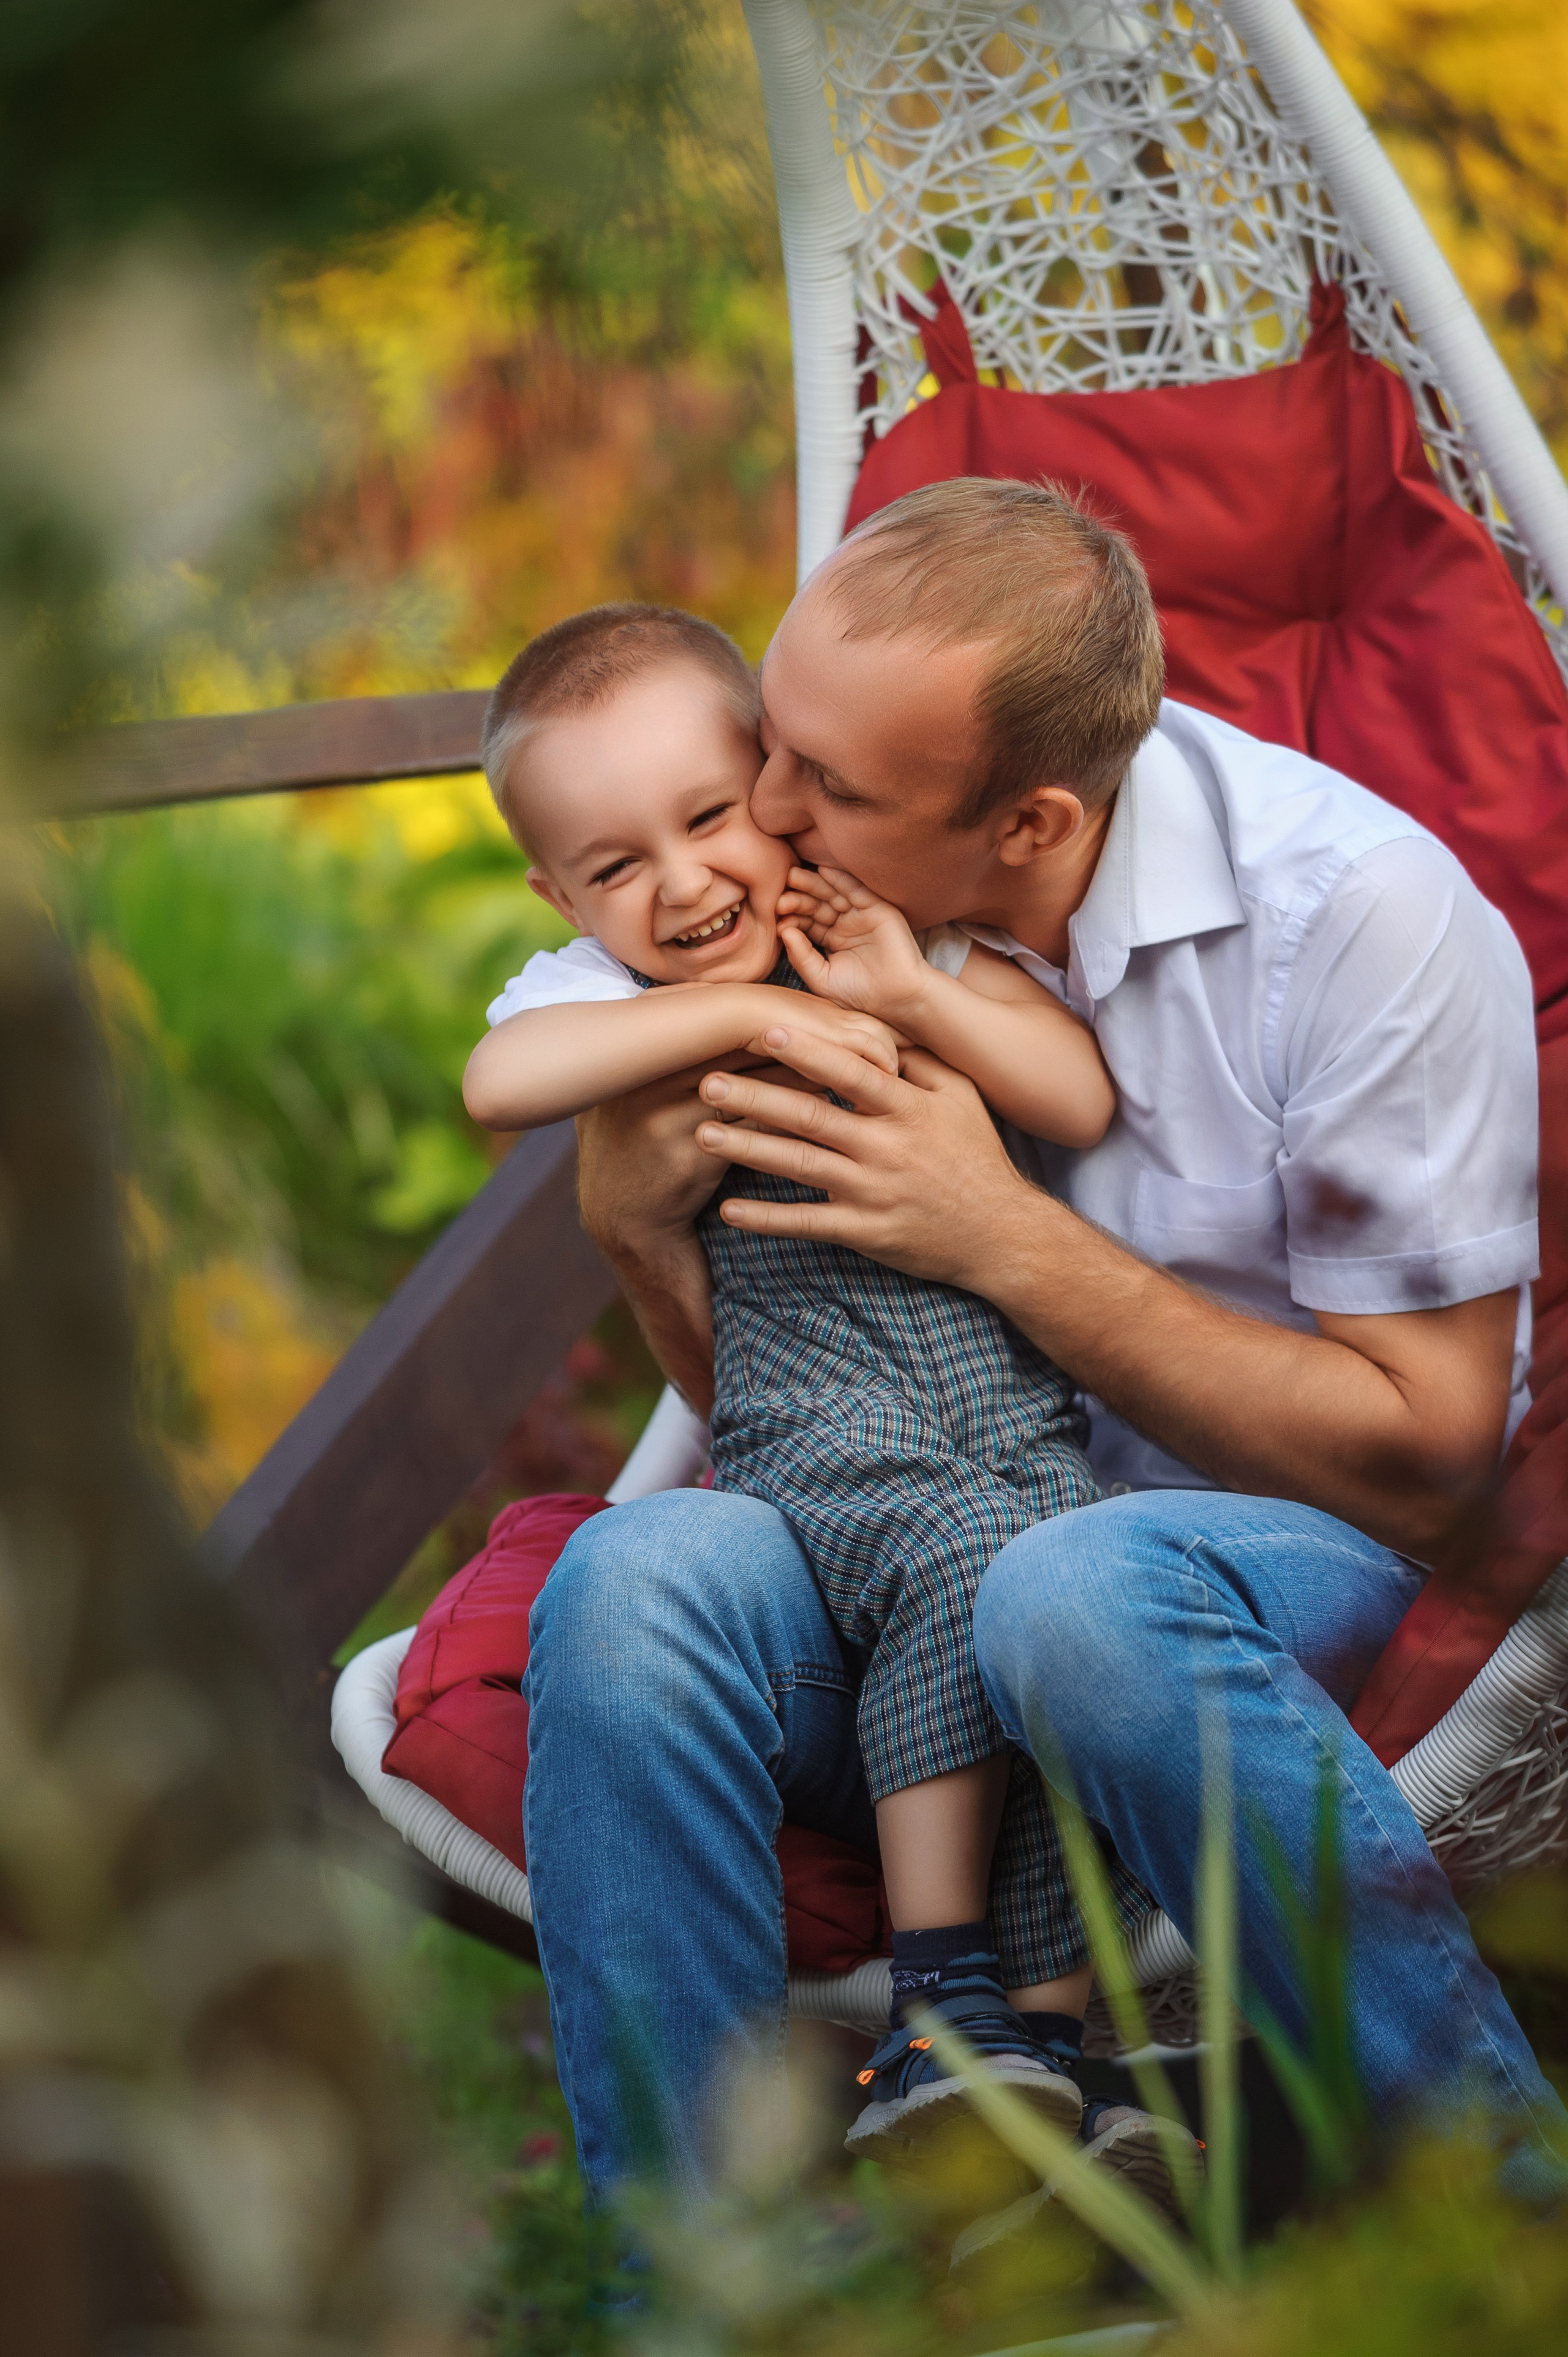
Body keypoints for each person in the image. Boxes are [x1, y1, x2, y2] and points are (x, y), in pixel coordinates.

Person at [522, 478, 1564, 2204]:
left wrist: (999, 1236)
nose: (766, 814)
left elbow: (1440, 1463)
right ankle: (701, 2302)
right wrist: (637, 1235)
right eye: (772, 747)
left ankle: (1508, 2222)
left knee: (1070, 1588)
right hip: (909, 1547)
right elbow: (790, 1407)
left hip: (1243, 1566)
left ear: (1030, 825)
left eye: (827, 788)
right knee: (636, 1581)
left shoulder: (1361, 921)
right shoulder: (794, 938)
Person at [466, 599, 1191, 2196]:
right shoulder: (595, 996)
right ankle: (944, 2007)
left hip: (1008, 1424)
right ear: (560, 894)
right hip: (816, 1439)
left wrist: (912, 999)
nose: (680, 882)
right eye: (613, 865)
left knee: (1068, 1612)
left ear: (776, 783)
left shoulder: (888, 933)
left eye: (711, 817)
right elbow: (495, 1084)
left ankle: (1045, 2067)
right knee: (959, 1575)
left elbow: (1072, 1086)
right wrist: (749, 1015)